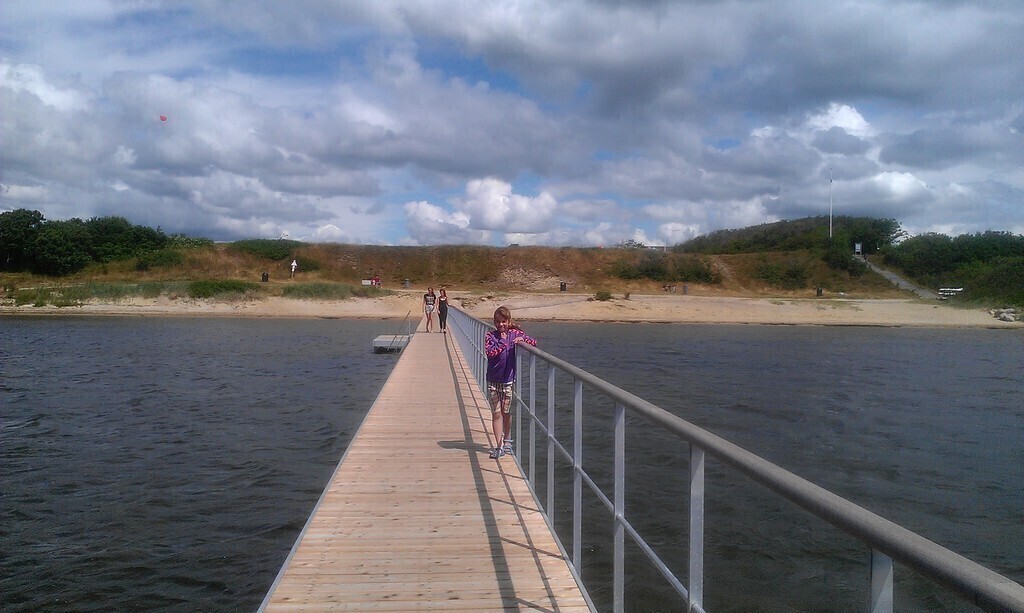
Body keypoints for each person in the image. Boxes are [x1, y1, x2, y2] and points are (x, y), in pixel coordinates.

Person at [485, 306, 537, 459]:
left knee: (506, 412)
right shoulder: (490, 336)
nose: (500, 325)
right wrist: (501, 342)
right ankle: (499, 446)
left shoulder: (514, 333)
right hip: (493, 380)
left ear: (508, 321)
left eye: (503, 321)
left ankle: (508, 440)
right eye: (497, 322)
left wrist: (522, 339)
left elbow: (534, 342)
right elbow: (490, 353)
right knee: (496, 413)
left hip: (507, 381)